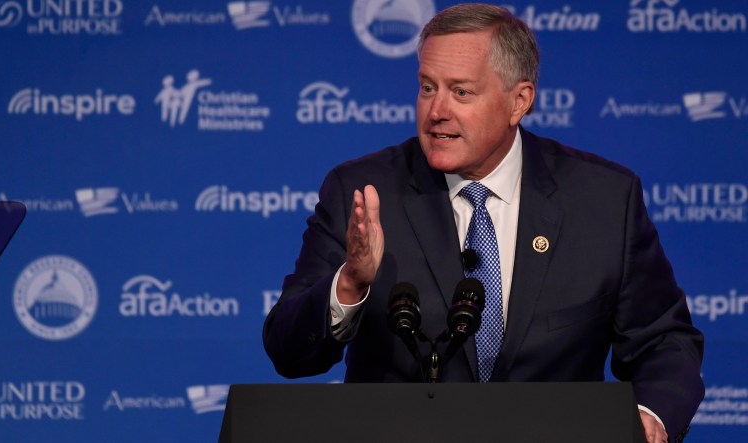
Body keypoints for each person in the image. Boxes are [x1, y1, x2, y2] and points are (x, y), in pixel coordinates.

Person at [263, 4, 704, 443]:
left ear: (519, 101)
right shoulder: (362, 192)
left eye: (461, 92)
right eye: (427, 87)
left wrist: (651, 417)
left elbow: (662, 341)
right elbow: (288, 350)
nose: (436, 111)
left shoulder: (604, 200)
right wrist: (349, 286)